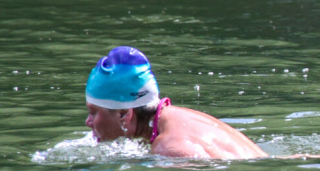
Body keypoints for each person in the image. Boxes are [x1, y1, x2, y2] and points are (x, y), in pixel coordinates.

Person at [84, 46, 266, 159]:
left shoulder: (169, 147)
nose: (88, 122)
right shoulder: (175, 117)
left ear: (124, 113)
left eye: (94, 112)